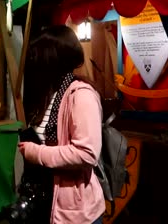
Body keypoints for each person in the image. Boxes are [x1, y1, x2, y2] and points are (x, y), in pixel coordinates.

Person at [18, 25, 105, 224]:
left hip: (75, 212)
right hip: (47, 202)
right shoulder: (49, 93)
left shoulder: (81, 95)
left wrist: (36, 153)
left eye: (37, 55)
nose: (33, 61)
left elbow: (87, 153)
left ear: (52, 58)